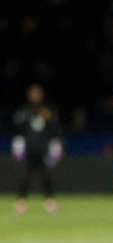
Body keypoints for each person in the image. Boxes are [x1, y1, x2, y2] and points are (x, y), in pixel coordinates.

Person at [12, 83, 63, 215]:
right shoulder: (23, 112)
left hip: (43, 149)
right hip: (29, 150)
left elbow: (54, 130)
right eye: (33, 93)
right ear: (29, 95)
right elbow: (18, 131)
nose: (35, 96)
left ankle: (50, 202)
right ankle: (21, 202)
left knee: (46, 176)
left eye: (37, 93)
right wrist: (17, 146)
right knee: (25, 176)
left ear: (41, 95)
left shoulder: (47, 111)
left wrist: (55, 146)